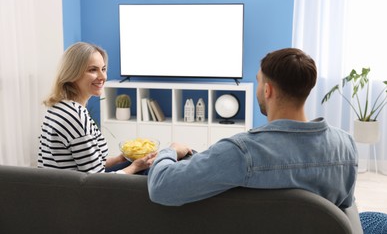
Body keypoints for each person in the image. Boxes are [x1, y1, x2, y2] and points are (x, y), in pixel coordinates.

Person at [148, 48, 358, 207]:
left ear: (267, 90)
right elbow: (344, 208)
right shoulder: (346, 145)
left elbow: (161, 187)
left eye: (258, 82)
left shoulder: (242, 152)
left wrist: (170, 151)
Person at [38, 42, 156, 174]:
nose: (102, 77)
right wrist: (135, 167)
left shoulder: (59, 107)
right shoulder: (75, 116)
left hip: (65, 186)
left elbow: (88, 165)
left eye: (103, 69)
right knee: (150, 172)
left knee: (149, 166)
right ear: (72, 74)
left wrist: (118, 159)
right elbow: (97, 182)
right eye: (92, 70)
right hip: (77, 192)